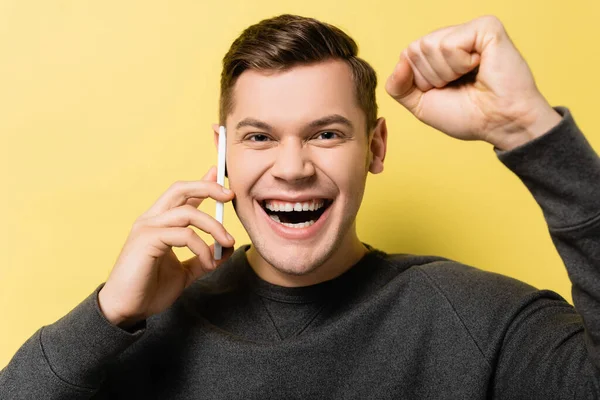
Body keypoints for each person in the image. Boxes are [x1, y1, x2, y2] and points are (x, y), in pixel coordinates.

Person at [1, 13, 599, 399]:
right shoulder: (140, 333)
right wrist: (107, 316)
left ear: (376, 146)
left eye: (326, 134)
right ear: (224, 151)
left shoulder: (479, 322)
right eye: (259, 136)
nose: (291, 168)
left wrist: (530, 132)